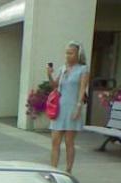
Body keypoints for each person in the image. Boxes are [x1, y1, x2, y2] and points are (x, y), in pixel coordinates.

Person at [48, 41, 90, 173]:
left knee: (69, 142)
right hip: (59, 108)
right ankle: (53, 170)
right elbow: (55, 85)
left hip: (72, 108)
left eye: (71, 53)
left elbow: (82, 89)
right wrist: (49, 74)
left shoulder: (83, 69)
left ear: (78, 54)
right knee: (55, 141)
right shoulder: (62, 68)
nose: (67, 56)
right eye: (66, 53)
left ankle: (68, 170)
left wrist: (78, 107)